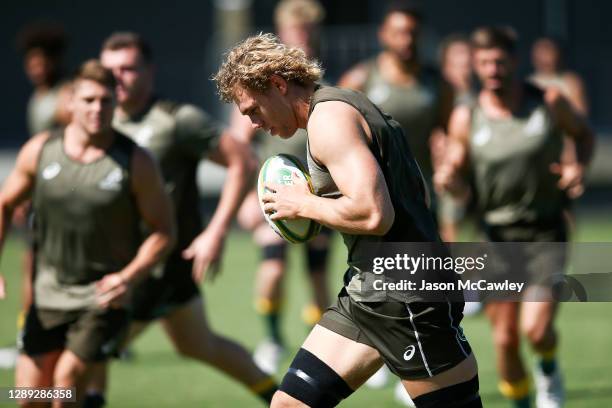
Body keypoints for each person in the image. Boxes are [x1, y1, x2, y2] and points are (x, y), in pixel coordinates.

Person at [214, 32, 482, 408]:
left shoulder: (329, 121)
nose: (254, 123)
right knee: (289, 405)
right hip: (369, 290)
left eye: (253, 110)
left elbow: (374, 214)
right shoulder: (344, 103)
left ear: (278, 84)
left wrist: (303, 205)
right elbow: (413, 192)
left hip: (405, 296)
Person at [88, 32, 276, 406]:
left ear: (149, 71)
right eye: (109, 71)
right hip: (119, 261)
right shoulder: (97, 123)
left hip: (155, 266)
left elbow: (243, 161)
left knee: (83, 353)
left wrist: (216, 232)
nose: (118, 78)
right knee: (199, 344)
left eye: (128, 68)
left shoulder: (176, 121)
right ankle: (284, 398)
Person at [434, 26, 594, 408]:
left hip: (545, 233)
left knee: (536, 332)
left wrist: (578, 168)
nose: (493, 69)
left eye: (500, 61)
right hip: (495, 238)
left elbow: (584, 136)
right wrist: (449, 177)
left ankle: (549, 368)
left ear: (515, 62)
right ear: (475, 64)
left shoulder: (549, 100)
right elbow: (458, 179)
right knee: (505, 340)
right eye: (485, 62)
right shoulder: (466, 115)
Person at [0, 59, 175, 406]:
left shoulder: (136, 161)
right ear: (70, 103)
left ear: (116, 101)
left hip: (102, 298)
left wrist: (128, 277)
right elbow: (3, 205)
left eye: (106, 100)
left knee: (65, 385)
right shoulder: (40, 151)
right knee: (26, 396)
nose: (98, 109)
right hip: (47, 296)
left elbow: (164, 231)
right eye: (89, 100)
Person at [229, 0, 331, 375]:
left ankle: (324, 348)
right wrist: (243, 197)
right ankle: (271, 340)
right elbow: (237, 144)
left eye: (307, 30)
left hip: (318, 193)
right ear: (281, 32)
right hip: (274, 191)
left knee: (318, 276)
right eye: (293, 30)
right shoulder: (262, 84)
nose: (300, 37)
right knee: (273, 268)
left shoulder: (324, 81)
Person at [338, 1, 454, 221]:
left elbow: (449, 135)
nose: (406, 40)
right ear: (383, 34)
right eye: (399, 33)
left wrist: (447, 162)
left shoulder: (438, 84)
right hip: (378, 195)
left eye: (413, 33)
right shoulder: (359, 80)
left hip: (423, 193)